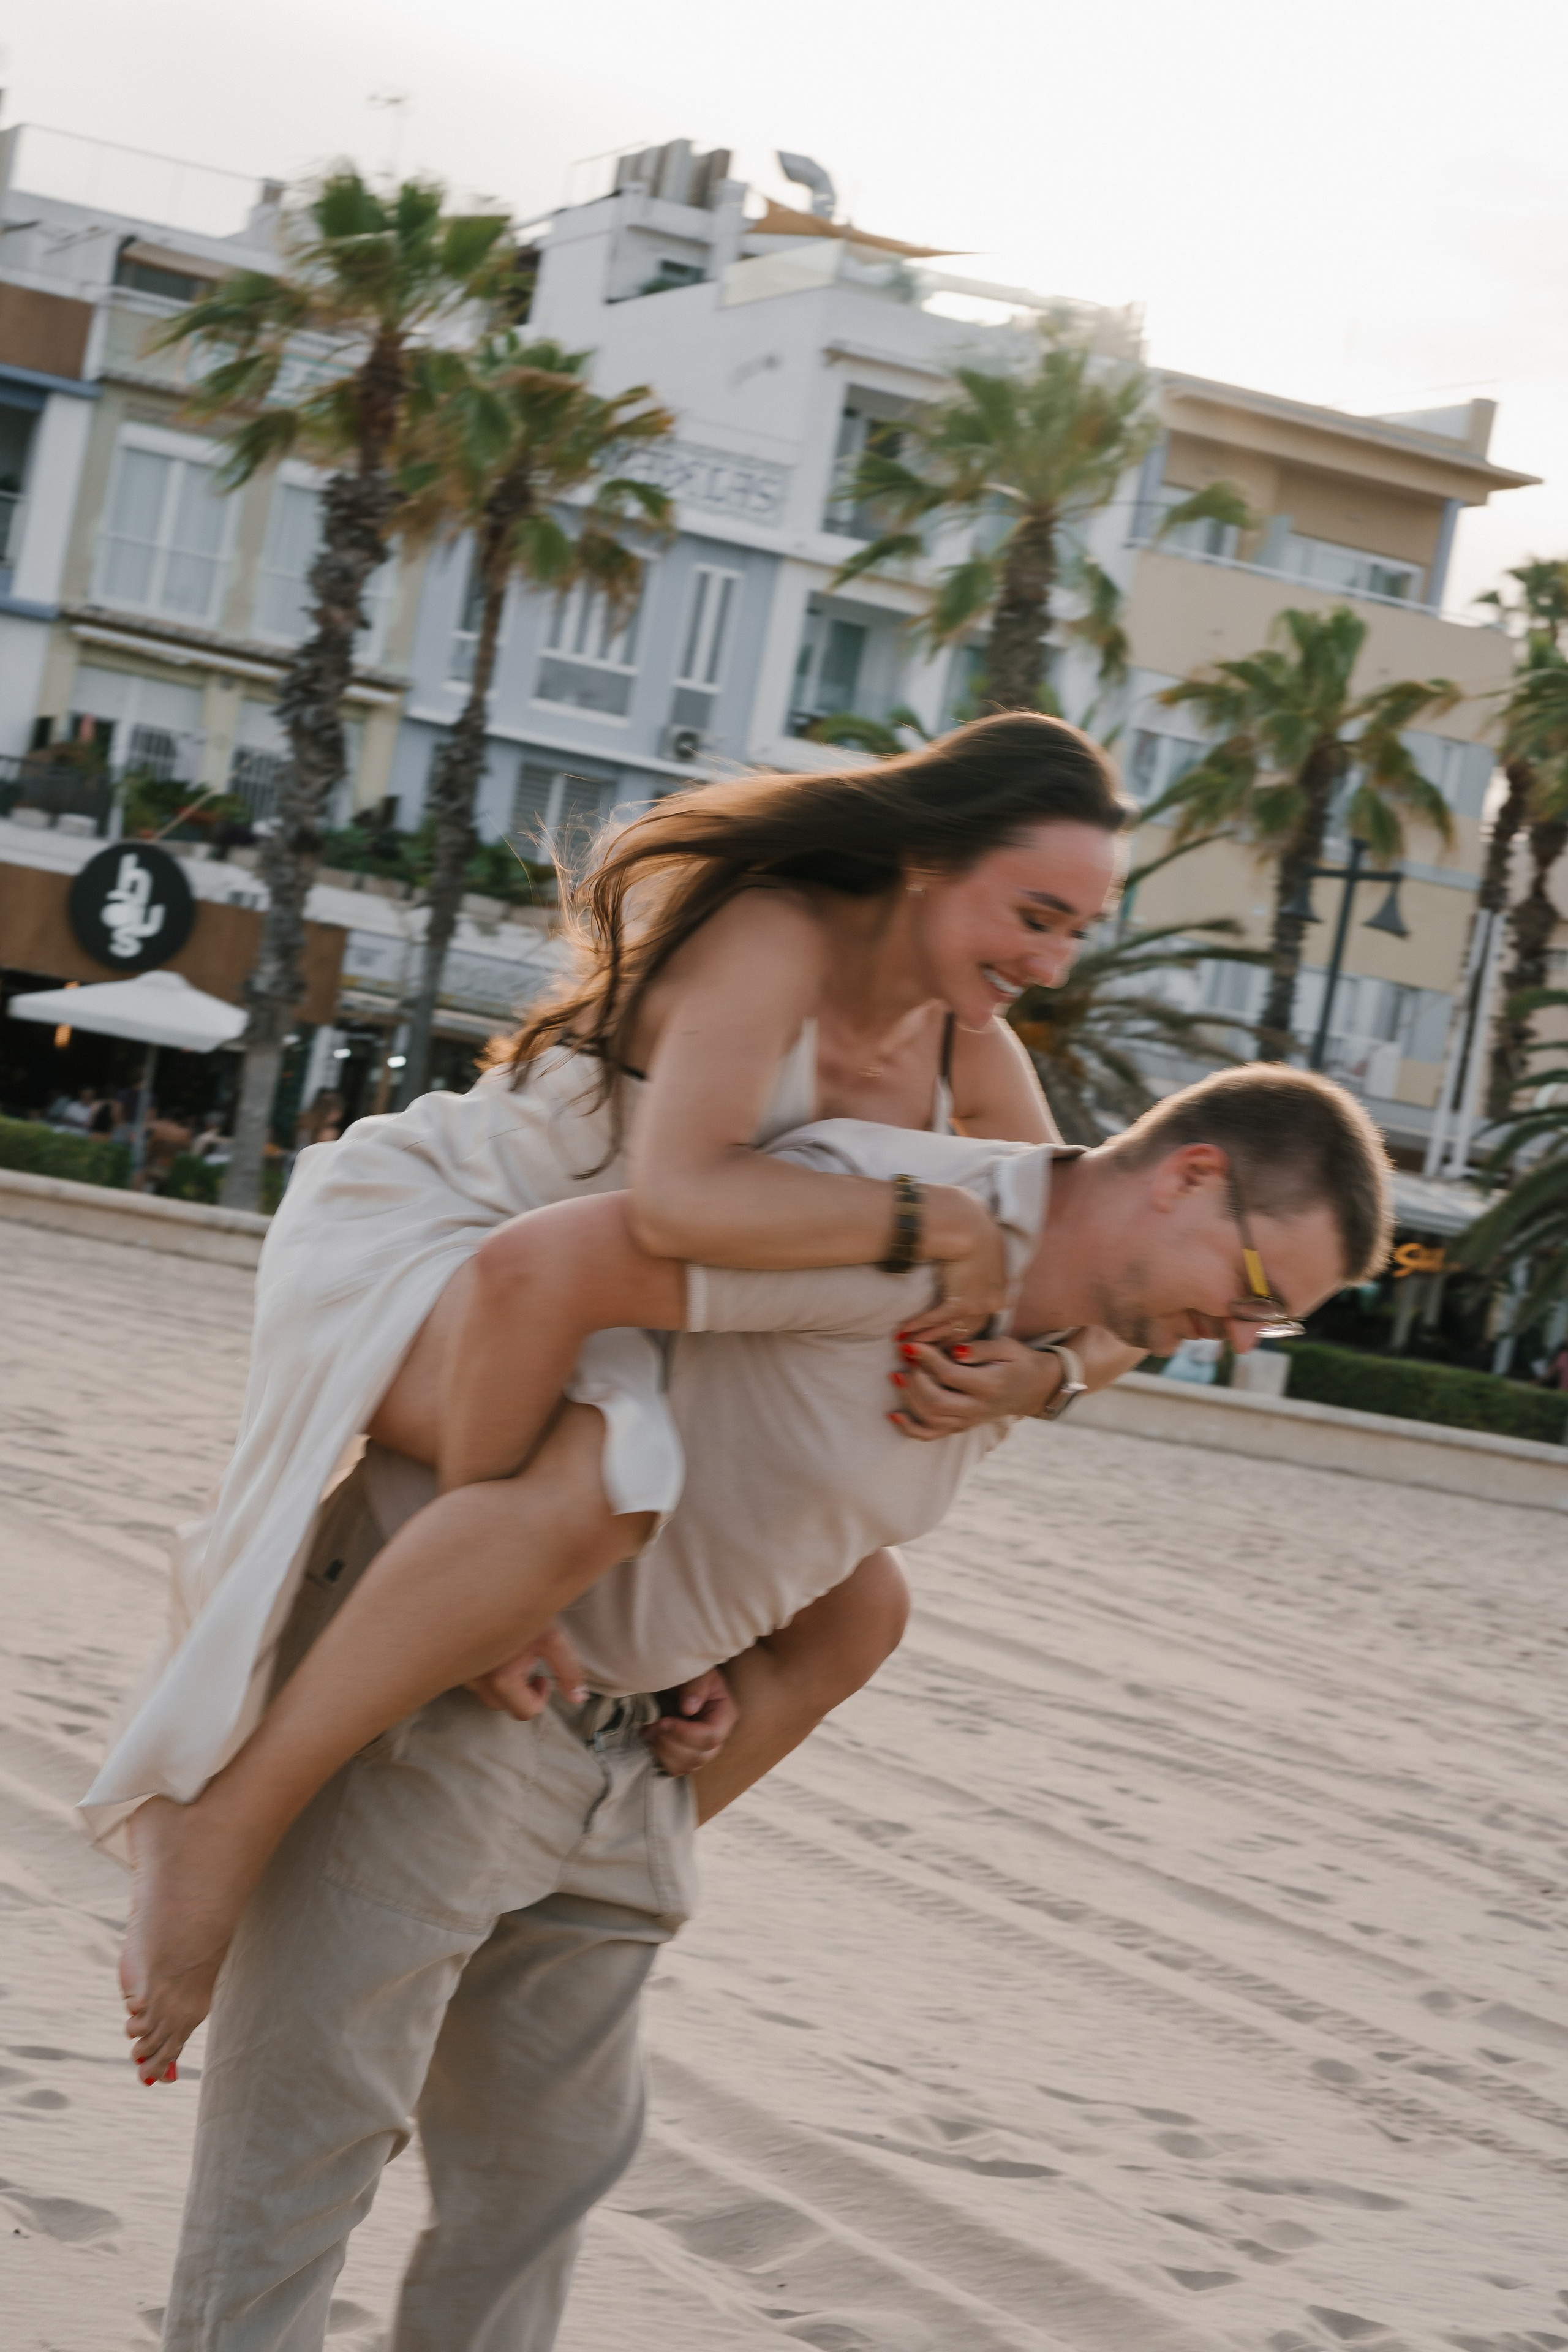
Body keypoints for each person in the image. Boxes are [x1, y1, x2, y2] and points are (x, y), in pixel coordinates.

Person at [145, 1065, 1390, 2349]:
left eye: (1275, 1323)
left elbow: (1081, 1275)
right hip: (460, 1694)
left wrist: (1048, 1383)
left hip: (629, 1759)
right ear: (1188, 1176)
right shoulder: (895, 1231)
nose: (1245, 1338)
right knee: (294, 2183)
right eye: (1253, 1292)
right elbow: (540, 1275)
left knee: (537, 2181)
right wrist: (499, 1577)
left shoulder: (1053, 1314)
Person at [88, 714, 1133, 1991]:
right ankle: (215, 1827)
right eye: (1033, 914)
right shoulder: (778, 933)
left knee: (860, 1610)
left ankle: (578, 1888)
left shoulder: (967, 1043)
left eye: (1077, 931)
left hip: (606, 1321)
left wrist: (1049, 1373)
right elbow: (680, 1201)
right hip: (449, 1241)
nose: (1052, 959)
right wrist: (933, 1216)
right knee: (585, 1487)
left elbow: (1092, 1260)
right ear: (926, 861)